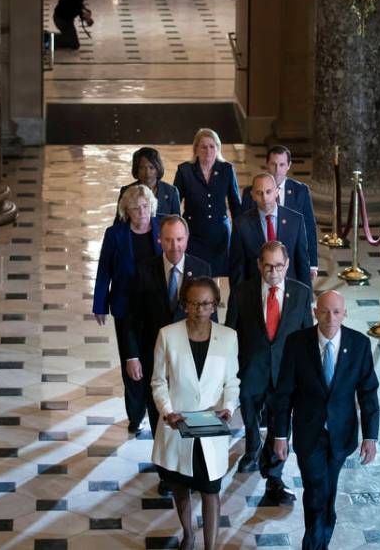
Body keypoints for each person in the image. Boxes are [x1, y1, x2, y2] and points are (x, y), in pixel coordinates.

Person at [272, 291, 380, 550]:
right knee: (316, 490)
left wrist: (370, 436)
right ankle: (314, 546)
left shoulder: (359, 344)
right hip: (309, 433)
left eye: (336, 312)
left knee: (327, 494)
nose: (330, 318)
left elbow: (367, 393)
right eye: (324, 311)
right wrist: (279, 435)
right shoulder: (296, 343)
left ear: (345, 313)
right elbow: (284, 393)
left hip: (341, 434)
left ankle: (320, 540)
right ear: (315, 312)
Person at [124, 214, 211, 495]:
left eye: (180, 239)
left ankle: (195, 469)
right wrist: (132, 356)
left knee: (193, 410)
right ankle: (167, 474)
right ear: (160, 240)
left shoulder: (201, 268)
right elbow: (130, 319)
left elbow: (213, 317)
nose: (175, 246)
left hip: (192, 357)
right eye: (169, 240)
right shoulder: (143, 270)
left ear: (187, 239)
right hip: (155, 358)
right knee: (160, 414)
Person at [151, 277, 239, 550]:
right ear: (184, 305)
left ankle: (210, 547)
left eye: (206, 304)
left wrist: (229, 406)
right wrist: (167, 412)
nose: (200, 309)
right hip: (178, 427)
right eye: (193, 303)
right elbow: (158, 381)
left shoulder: (228, 337)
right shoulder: (168, 334)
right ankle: (188, 534)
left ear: (215, 305)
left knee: (211, 490)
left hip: (211, 428)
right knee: (180, 486)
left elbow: (232, 382)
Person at [224, 241, 312, 504]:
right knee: (250, 417)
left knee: (280, 424)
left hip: (285, 374)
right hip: (252, 370)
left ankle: (274, 474)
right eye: (267, 265)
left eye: (278, 266)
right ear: (259, 265)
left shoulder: (301, 293)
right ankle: (252, 448)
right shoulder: (241, 292)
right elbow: (230, 333)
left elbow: (307, 335)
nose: (273, 272)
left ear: (286, 265)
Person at [93, 185, 162, 435]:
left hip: (157, 306)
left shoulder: (161, 228)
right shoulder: (115, 234)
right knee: (132, 363)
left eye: (145, 206)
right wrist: (100, 304)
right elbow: (104, 271)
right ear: (126, 211)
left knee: (155, 359)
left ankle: (158, 410)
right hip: (126, 306)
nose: (142, 212)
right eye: (135, 208)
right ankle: (136, 414)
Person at [241, 146, 319, 279]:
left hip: (290, 261)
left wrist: (312, 264)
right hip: (260, 262)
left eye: (282, 164)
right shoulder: (251, 192)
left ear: (289, 165)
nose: (277, 170)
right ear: (267, 164)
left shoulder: (301, 191)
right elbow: (243, 230)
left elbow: (309, 228)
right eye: (273, 164)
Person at [173, 128, 240, 277]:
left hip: (219, 234)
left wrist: (240, 231)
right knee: (194, 274)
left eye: (212, 146)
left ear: (218, 148)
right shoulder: (185, 171)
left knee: (215, 274)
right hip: (193, 233)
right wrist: (176, 231)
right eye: (203, 146)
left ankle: (213, 301)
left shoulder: (227, 169)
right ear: (196, 149)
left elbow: (235, 203)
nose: (208, 150)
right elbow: (174, 203)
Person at [229, 173, 311, 288]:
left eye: (268, 192)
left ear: (276, 192)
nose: (265, 198)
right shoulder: (241, 224)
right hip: (255, 291)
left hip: (289, 291)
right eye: (259, 193)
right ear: (252, 195)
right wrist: (236, 302)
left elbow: (302, 263)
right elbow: (237, 268)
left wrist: (307, 300)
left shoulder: (295, 220)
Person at [114, 147, 181, 225]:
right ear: (136, 169)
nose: (147, 172)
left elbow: (177, 222)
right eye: (142, 168)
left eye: (151, 167)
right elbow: (119, 221)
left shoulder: (171, 191)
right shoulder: (126, 191)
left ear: (158, 168)